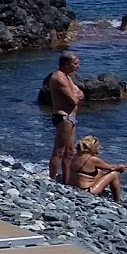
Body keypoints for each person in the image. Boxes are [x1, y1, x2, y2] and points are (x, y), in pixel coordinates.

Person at [46, 52, 84, 183]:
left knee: (69, 151)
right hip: (63, 117)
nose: (78, 66)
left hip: (71, 117)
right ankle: (51, 179)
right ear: (66, 64)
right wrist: (75, 93)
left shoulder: (68, 77)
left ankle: (66, 181)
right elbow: (74, 100)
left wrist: (76, 93)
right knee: (59, 151)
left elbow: (81, 94)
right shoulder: (59, 78)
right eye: (75, 63)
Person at [69, 136, 124, 202]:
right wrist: (121, 167)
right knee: (114, 174)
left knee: (99, 172)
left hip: (73, 187)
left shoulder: (76, 156)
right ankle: (117, 200)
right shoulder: (93, 159)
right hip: (87, 191)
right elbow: (112, 168)